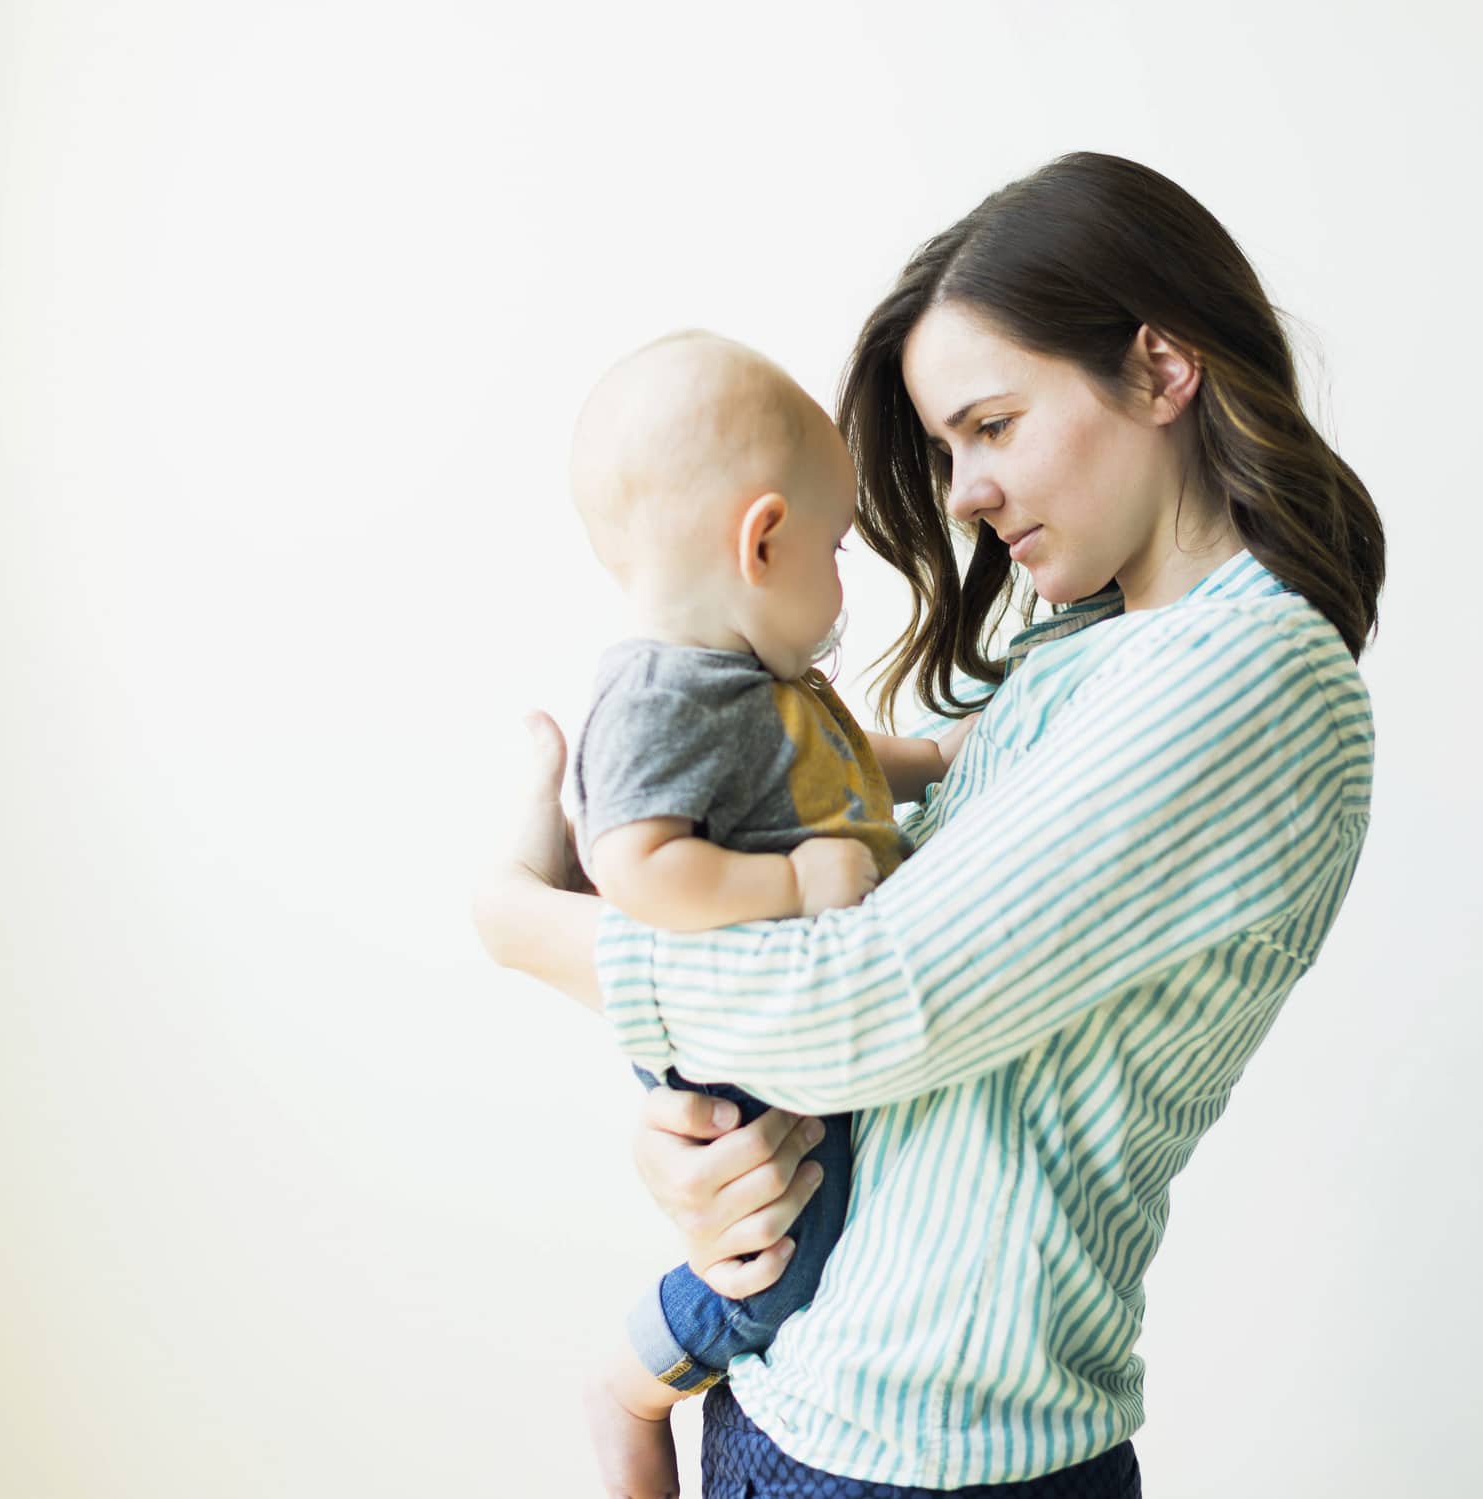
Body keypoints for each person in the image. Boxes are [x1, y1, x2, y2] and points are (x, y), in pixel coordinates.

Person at [475, 150, 1385, 1496]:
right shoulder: (1085, 659)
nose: (957, 492)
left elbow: (864, 996)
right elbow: (894, 1048)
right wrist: (720, 1149)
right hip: (810, 1411)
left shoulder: (1243, 673)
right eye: (946, 447)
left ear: (1156, 367)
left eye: (992, 425)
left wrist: (535, 930)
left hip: (927, 1458)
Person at [559, 330, 980, 1497]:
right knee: (790, 1250)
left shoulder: (765, 684)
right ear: (763, 540)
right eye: (839, 545)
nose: (844, 578)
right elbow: (638, 866)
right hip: (740, 1057)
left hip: (802, 1027)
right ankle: (642, 1368)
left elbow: (840, 766)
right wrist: (790, 885)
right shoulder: (660, 693)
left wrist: (940, 757)